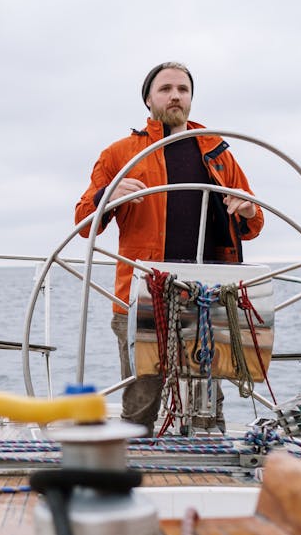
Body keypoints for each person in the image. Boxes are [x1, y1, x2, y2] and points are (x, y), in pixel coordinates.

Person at [74, 61, 264, 435]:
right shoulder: (120, 154)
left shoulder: (217, 152)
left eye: (183, 89)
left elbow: (253, 224)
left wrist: (248, 208)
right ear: (148, 99)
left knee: (208, 406)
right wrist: (106, 196)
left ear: (191, 98)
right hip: (141, 294)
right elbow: (83, 221)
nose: (175, 95)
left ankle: (208, 468)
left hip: (206, 294)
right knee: (142, 401)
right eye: (165, 89)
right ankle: (135, 467)